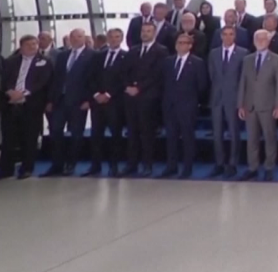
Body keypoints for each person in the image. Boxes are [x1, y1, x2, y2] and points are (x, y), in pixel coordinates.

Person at [0, 35, 51, 181]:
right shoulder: (11, 61)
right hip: (10, 103)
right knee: (8, 138)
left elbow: (43, 81)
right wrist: (10, 91)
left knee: (29, 138)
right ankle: (5, 170)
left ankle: (26, 168)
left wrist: (24, 93)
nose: (32, 47)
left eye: (34, 44)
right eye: (29, 45)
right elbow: (3, 79)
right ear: (21, 46)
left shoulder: (44, 62)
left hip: (31, 104)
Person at [43, 28, 94, 177]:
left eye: (80, 36)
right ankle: (57, 164)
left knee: (76, 134)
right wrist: (51, 100)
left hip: (79, 101)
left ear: (84, 38)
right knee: (55, 132)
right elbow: (56, 79)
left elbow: (93, 79)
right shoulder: (62, 55)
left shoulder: (92, 55)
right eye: (74, 37)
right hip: (60, 100)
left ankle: (71, 163)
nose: (77, 39)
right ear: (70, 39)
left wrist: (89, 100)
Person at [238, 30, 278, 182]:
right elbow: (243, 82)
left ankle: (269, 167)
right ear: (254, 41)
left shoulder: (277, 60)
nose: (260, 41)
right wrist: (240, 104)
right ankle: (252, 167)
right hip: (249, 105)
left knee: (269, 137)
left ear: (269, 41)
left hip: (268, 105)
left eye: (263, 39)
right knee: (251, 139)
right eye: (257, 38)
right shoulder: (247, 59)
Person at [122, 23, 168, 177]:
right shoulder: (133, 50)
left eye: (148, 31)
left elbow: (157, 74)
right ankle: (131, 164)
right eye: (143, 31)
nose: (145, 33)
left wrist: (139, 87)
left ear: (154, 33)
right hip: (130, 97)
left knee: (147, 133)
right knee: (132, 132)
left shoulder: (161, 51)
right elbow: (124, 71)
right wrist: (128, 86)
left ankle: (147, 164)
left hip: (148, 97)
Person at [159, 33, 206, 179]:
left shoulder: (197, 62)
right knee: (171, 137)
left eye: (184, 43)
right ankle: (171, 166)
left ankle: (187, 167)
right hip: (170, 105)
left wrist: (193, 101)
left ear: (190, 46)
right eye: (178, 42)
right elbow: (162, 82)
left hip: (187, 106)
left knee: (187, 137)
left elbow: (202, 85)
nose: (180, 45)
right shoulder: (168, 61)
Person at [86, 28, 127, 177]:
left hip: (115, 102)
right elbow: (90, 77)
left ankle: (113, 166)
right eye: (111, 37)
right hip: (97, 102)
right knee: (96, 134)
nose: (114, 39)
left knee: (115, 135)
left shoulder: (126, 56)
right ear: (107, 39)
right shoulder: (98, 56)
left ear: (121, 39)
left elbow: (124, 79)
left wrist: (109, 94)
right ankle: (95, 165)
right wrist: (96, 94)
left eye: (117, 37)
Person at [208, 26, 247, 179]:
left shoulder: (243, 53)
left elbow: (244, 78)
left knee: (234, 132)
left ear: (235, 36)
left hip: (234, 98)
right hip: (217, 98)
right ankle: (219, 163)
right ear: (221, 36)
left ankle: (233, 163)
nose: (228, 37)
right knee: (217, 133)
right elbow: (212, 75)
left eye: (231, 34)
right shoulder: (214, 53)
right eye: (225, 34)